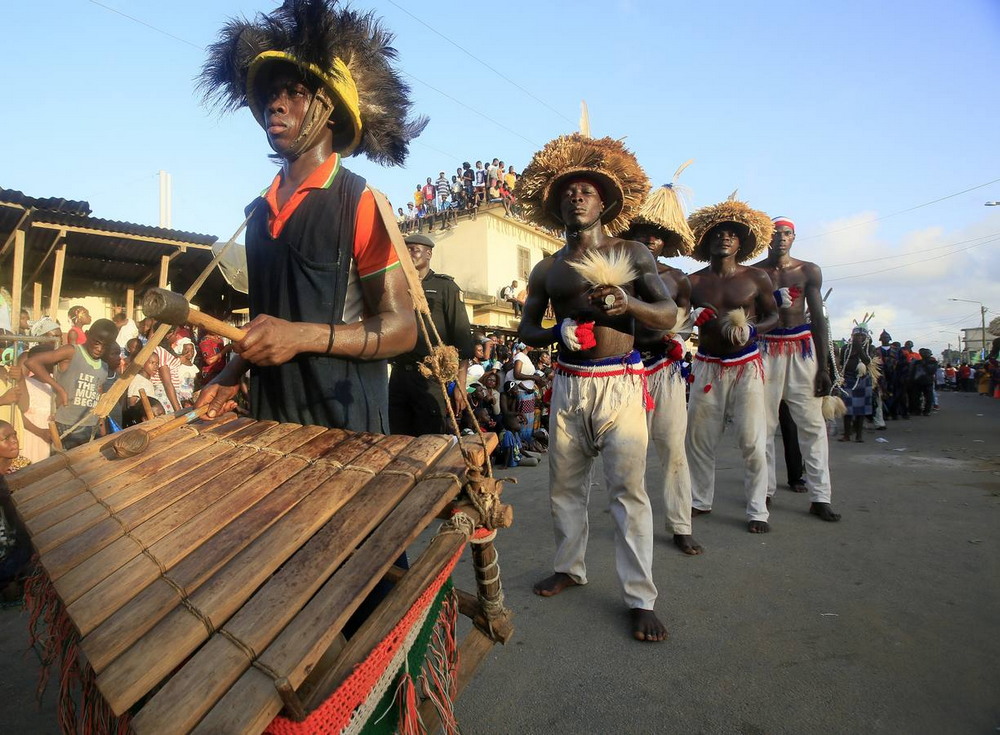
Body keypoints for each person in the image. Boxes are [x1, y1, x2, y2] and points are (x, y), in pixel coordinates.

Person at [196, 0, 424, 433]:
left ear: (330, 110)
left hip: (346, 427)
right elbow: (269, 321)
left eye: (295, 93)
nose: (275, 106)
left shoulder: (360, 201)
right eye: (271, 96)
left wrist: (301, 336)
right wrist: (230, 375)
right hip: (270, 421)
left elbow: (401, 330)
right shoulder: (257, 212)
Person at [517, 133, 676, 642]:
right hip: (567, 384)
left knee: (628, 491)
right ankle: (569, 566)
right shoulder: (547, 268)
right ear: (557, 205)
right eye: (568, 192)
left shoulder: (630, 252)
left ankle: (640, 597)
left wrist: (627, 306)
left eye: (586, 191)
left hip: (621, 385)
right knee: (564, 486)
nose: (577, 197)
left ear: (603, 202)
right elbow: (526, 329)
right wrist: (555, 332)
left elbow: (669, 315)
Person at [685, 196, 779, 533]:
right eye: (718, 233)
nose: (724, 238)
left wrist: (752, 329)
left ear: (741, 243)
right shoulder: (693, 282)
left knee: (753, 440)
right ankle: (699, 499)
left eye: (731, 234)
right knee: (699, 439)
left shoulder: (756, 279)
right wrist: (693, 317)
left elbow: (773, 316)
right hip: (707, 365)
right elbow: (678, 322)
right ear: (707, 241)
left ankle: (757, 510)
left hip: (746, 366)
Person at [622, 179, 703, 555]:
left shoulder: (677, 279)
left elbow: (683, 323)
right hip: (622, 371)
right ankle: (633, 526)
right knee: (629, 453)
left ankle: (680, 525)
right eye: (642, 233)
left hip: (665, 371)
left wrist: (680, 341)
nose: (650, 239)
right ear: (632, 236)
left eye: (657, 235)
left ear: (666, 240)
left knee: (673, 449)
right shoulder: (615, 273)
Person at [752, 216, 840, 523]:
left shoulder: (808, 270)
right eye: (775, 234)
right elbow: (749, 314)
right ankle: (764, 490)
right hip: (765, 348)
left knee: (812, 426)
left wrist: (825, 367)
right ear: (767, 238)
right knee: (762, 426)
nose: (780, 239)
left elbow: (818, 319)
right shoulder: (756, 273)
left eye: (786, 233)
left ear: (794, 237)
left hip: (802, 349)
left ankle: (820, 497)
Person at [388, 234, 474, 435]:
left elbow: (462, 338)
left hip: (430, 377)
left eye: (414, 249)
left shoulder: (446, 287)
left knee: (430, 437)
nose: (408, 254)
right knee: (397, 438)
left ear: (429, 254)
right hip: (400, 375)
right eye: (405, 249)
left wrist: (460, 386)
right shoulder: (396, 285)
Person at [25, 318, 118, 449]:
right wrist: (59, 389)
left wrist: (101, 421)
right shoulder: (72, 351)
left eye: (105, 346)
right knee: (65, 464)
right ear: (87, 334)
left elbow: (98, 391)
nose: (99, 349)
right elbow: (32, 362)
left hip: (91, 425)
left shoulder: (103, 366)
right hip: (67, 424)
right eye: (96, 343)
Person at [839, 318, 876, 441]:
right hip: (848, 379)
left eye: (861, 335)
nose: (859, 337)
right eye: (856, 335)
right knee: (847, 409)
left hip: (863, 380)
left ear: (866, 336)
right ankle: (847, 434)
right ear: (852, 336)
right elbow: (842, 364)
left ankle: (859, 435)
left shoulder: (870, 348)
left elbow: (867, 361)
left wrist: (859, 347)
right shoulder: (845, 349)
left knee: (861, 410)